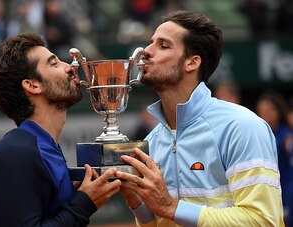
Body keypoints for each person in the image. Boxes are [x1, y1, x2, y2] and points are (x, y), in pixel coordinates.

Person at [115, 10, 285, 226]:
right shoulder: (153, 140)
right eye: (150, 43)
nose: (146, 51)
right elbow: (163, 220)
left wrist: (171, 207)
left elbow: (263, 220)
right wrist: (138, 204)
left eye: (163, 45)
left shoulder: (242, 126)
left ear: (191, 63)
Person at [0, 32, 121, 227]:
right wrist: (84, 203)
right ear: (32, 85)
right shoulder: (18, 152)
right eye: (54, 64)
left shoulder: (42, 147)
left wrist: (75, 197)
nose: (70, 67)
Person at [256, 90, 293, 226]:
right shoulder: (257, 134)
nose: (266, 113)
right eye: (262, 110)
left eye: (270, 109)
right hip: (264, 195)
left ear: (279, 111)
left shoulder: (286, 136)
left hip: (287, 193)